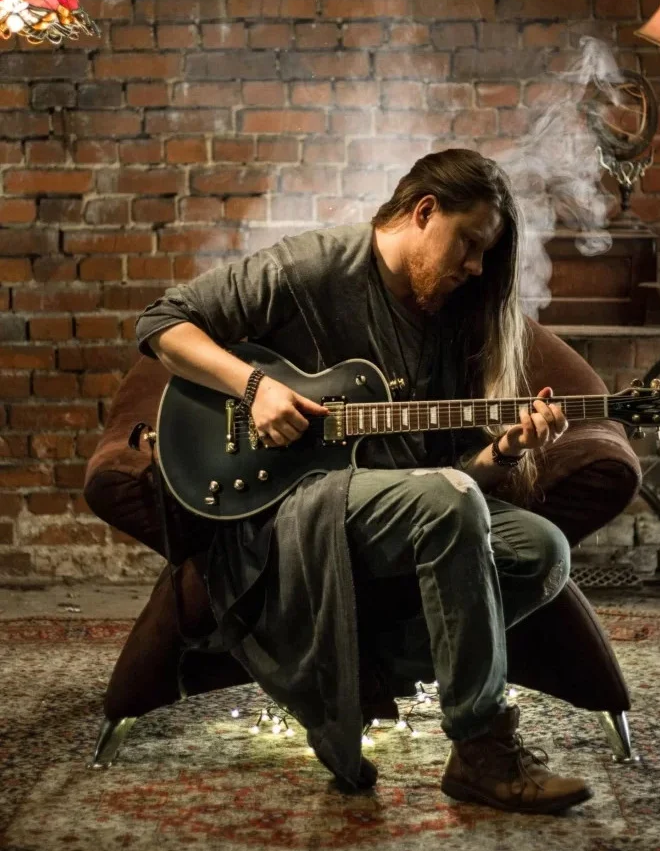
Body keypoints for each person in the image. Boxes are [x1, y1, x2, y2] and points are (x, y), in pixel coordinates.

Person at [135, 148, 593, 814]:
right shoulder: (314, 267)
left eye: (484, 254)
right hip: (294, 505)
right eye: (469, 243)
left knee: (541, 550)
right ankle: (483, 748)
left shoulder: (447, 314)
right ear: (424, 211)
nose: (475, 266)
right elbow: (161, 323)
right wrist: (255, 387)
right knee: (449, 501)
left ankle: (362, 673)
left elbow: (449, 479)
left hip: (401, 506)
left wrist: (502, 450)